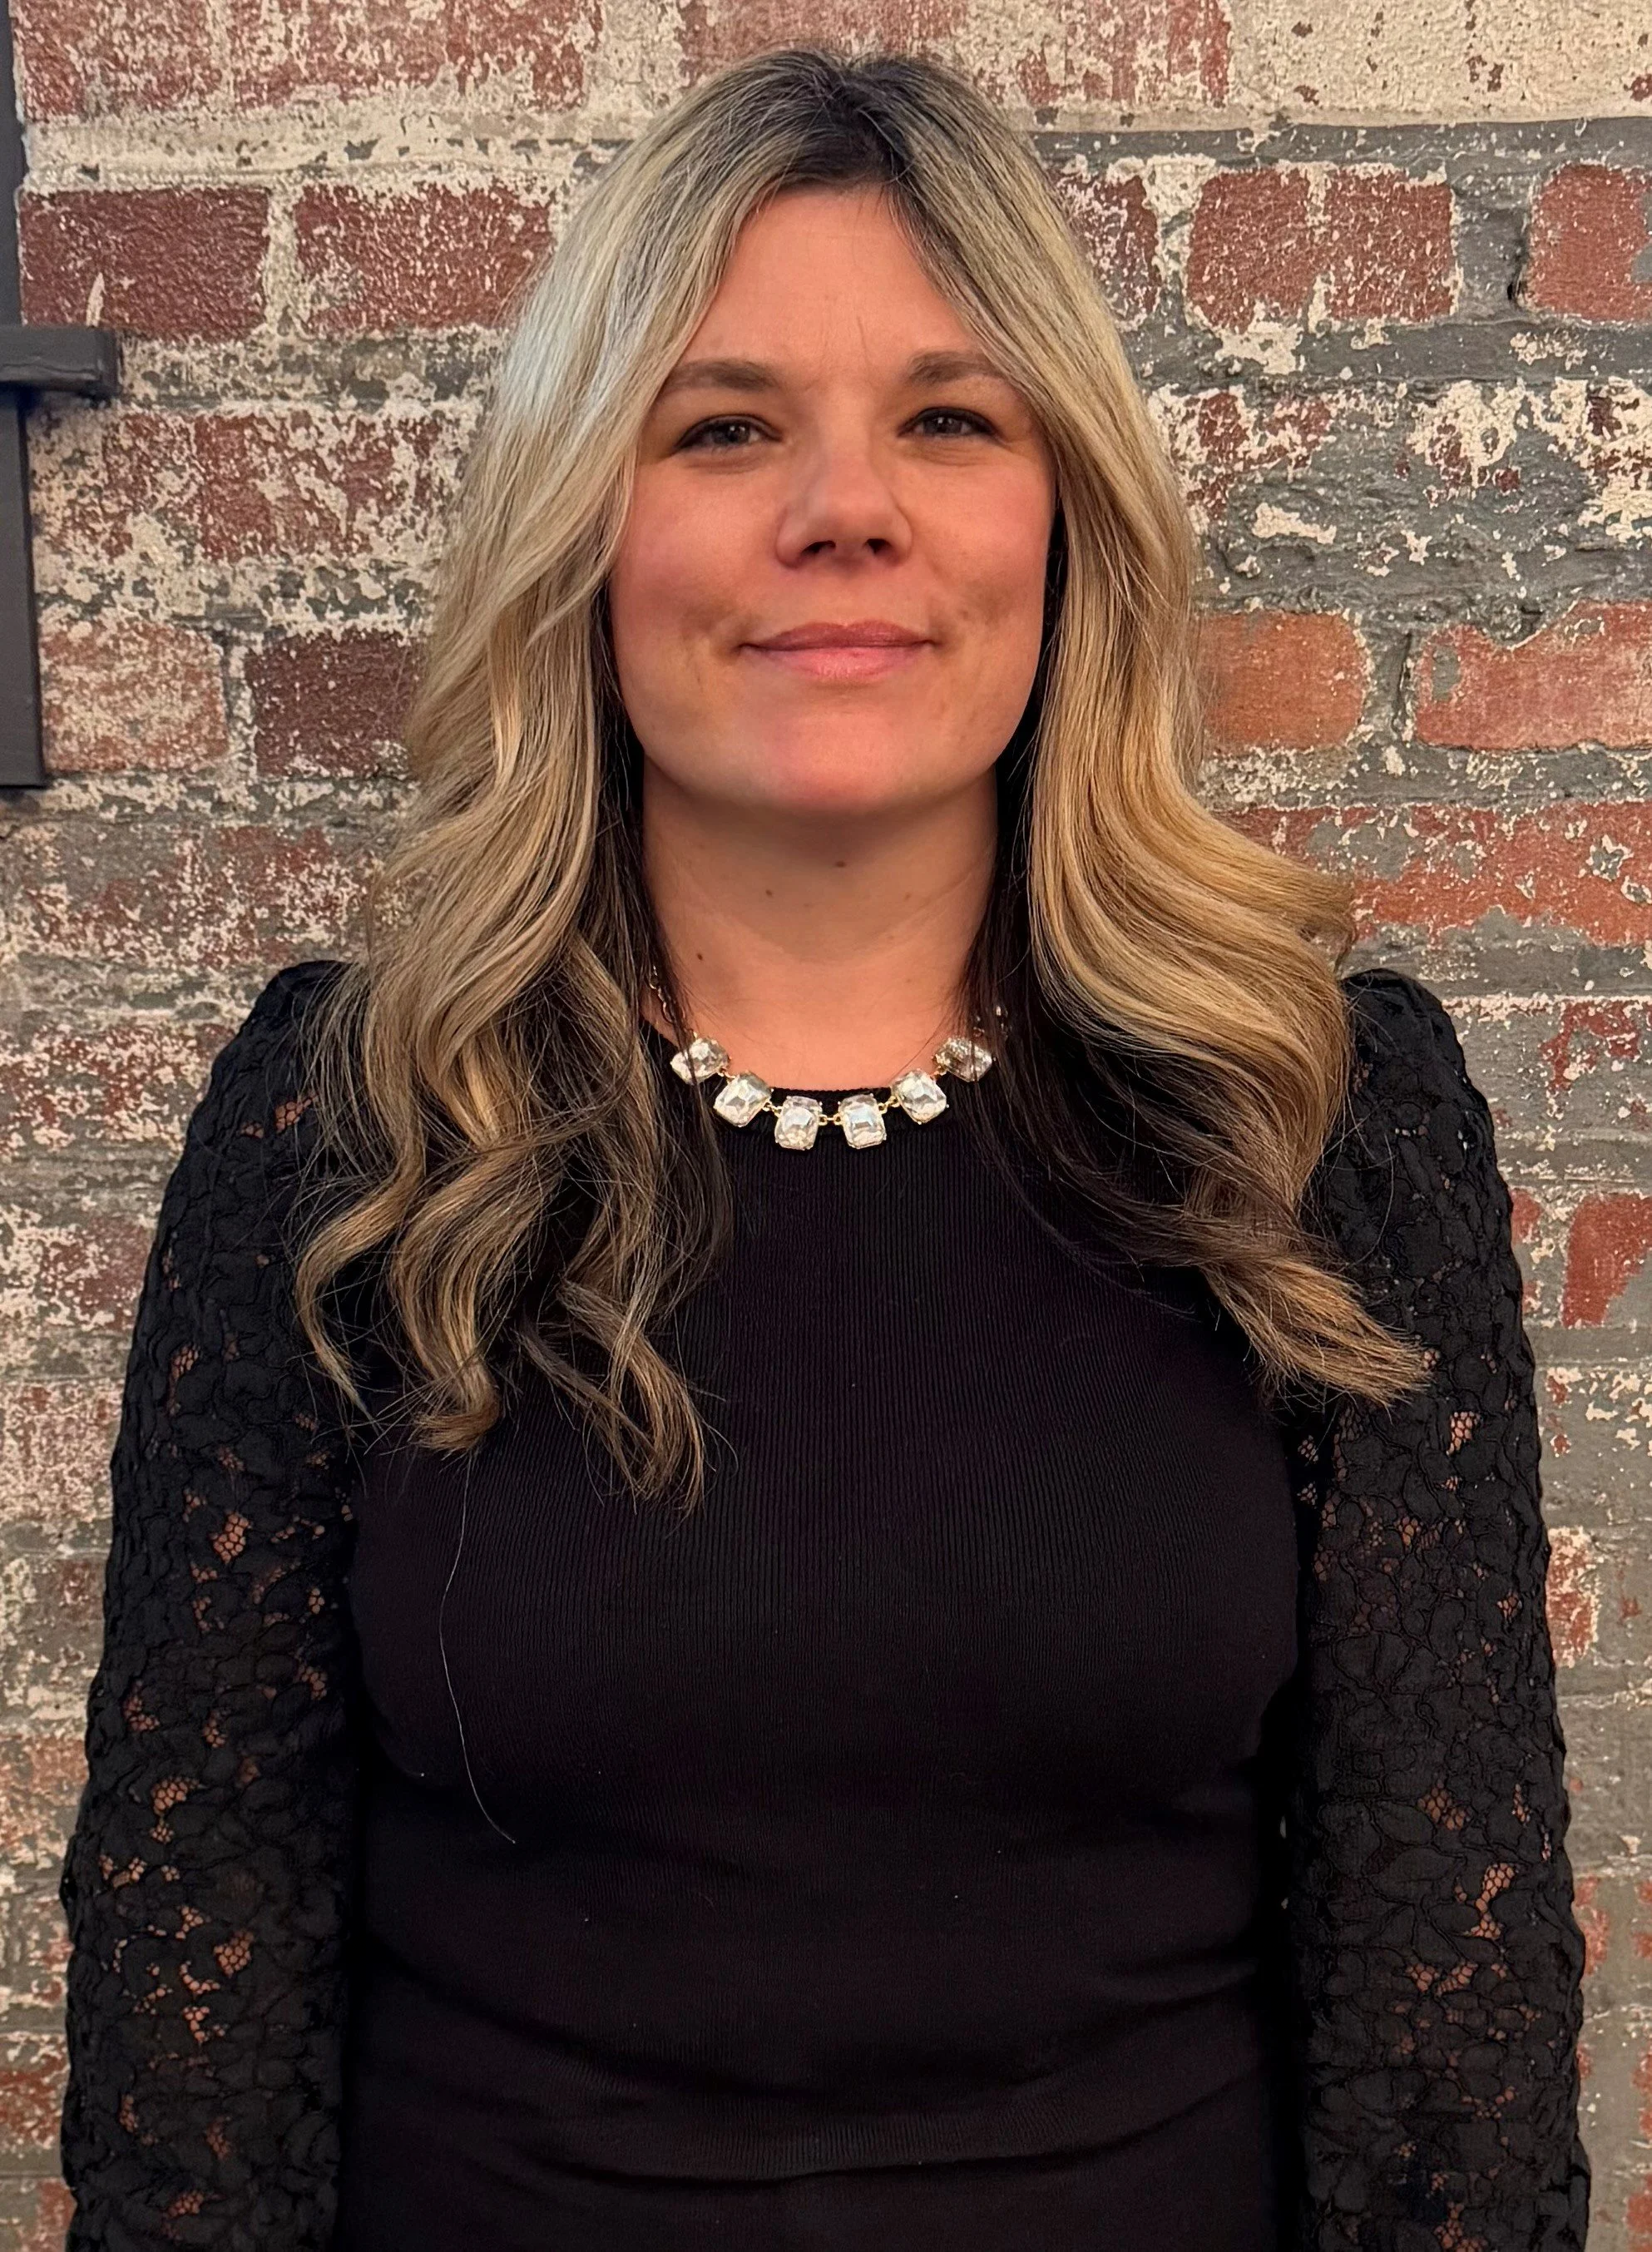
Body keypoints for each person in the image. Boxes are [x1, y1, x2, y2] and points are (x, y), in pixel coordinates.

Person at [57, 44, 1588, 2252]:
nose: (845, 509)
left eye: (950, 420)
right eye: (724, 427)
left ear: (1066, 522)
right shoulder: (364, 1126)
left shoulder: (1310, 1123)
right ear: (587, 531)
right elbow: (193, 1985)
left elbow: (1449, 2021)